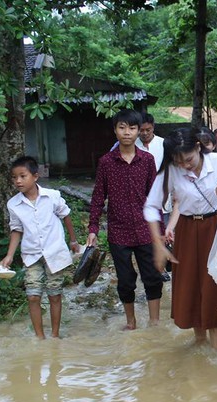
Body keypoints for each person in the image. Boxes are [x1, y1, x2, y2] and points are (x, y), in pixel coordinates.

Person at [145, 128, 217, 350]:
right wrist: (158, 243)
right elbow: (151, 206)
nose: (185, 166)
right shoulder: (170, 172)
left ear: (198, 146)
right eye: (178, 161)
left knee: (214, 286)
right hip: (187, 232)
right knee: (191, 286)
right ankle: (199, 342)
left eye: (188, 159)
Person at [87, 109, 164, 329]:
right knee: (125, 279)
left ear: (139, 131)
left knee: (152, 276)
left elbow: (155, 197)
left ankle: (155, 323)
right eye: (122, 127)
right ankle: (130, 323)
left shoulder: (147, 160)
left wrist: (161, 228)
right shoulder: (107, 162)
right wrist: (93, 228)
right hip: (118, 231)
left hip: (145, 229)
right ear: (115, 130)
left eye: (132, 128)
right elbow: (98, 196)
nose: (127, 132)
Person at [0, 156, 80, 339]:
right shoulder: (13, 204)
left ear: (35, 176)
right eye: (14, 177)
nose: (18, 181)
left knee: (54, 295)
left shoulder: (52, 196)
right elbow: (16, 230)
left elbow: (65, 215)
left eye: (22, 176)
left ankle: (55, 336)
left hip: (55, 252)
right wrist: (10, 255)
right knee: (33, 296)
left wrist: (73, 241)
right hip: (31, 255)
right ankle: (40, 337)